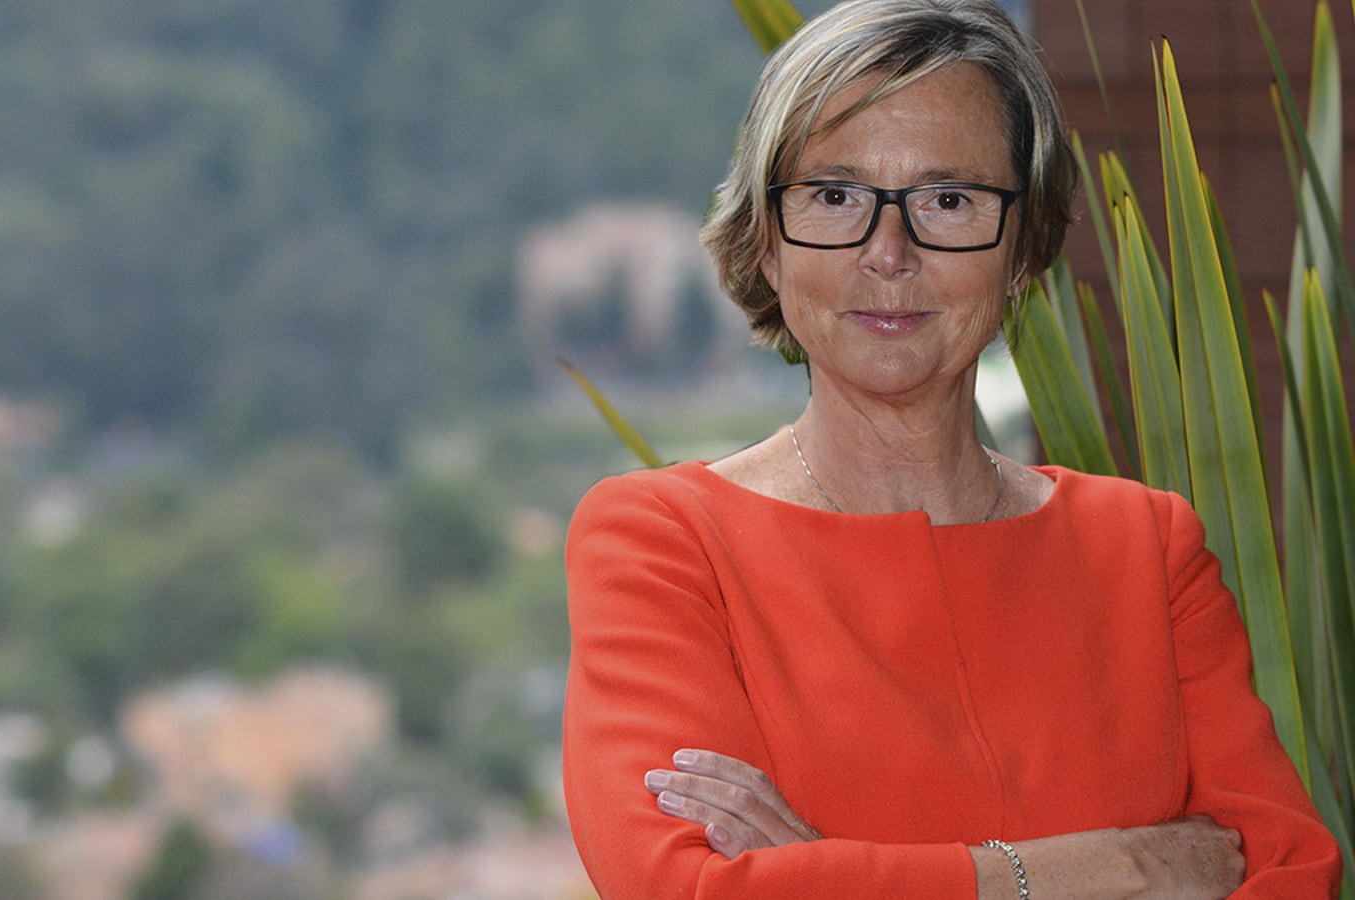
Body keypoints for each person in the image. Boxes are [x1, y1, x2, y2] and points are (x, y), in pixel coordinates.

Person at [559, 0, 1343, 896]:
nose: (888, 252)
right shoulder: (661, 544)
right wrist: (1115, 868)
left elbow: (1291, 873)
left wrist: (825, 869)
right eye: (835, 195)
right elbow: (687, 888)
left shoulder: (1148, 551)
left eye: (950, 199)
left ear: (1022, 253)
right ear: (767, 243)